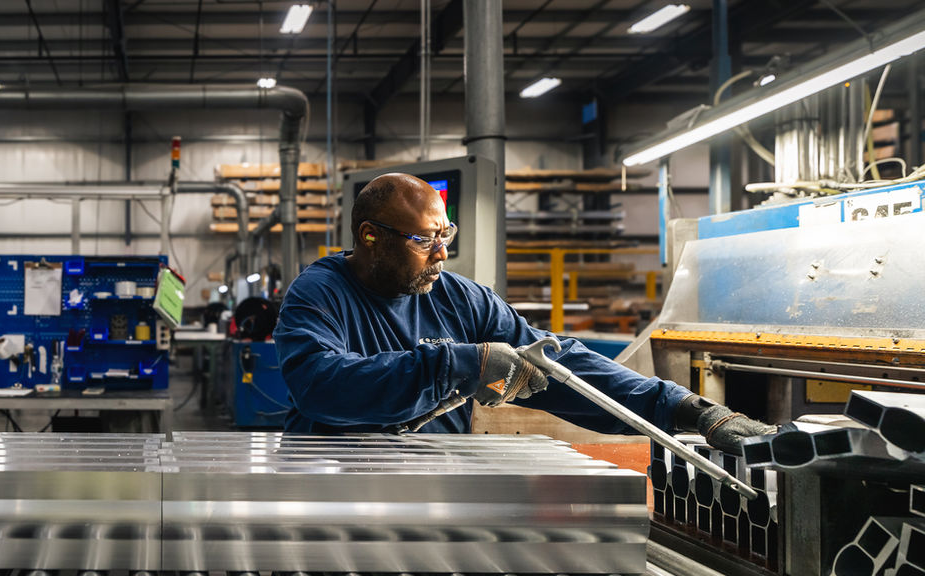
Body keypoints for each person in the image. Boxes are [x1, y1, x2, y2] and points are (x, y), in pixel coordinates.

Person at [272, 173, 775, 453]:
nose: (442, 254)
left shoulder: (459, 298)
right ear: (369, 236)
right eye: (425, 240)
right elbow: (320, 386)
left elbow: (556, 365)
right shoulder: (318, 295)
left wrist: (687, 409)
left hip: (424, 486)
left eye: (445, 236)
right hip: (331, 492)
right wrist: (455, 365)